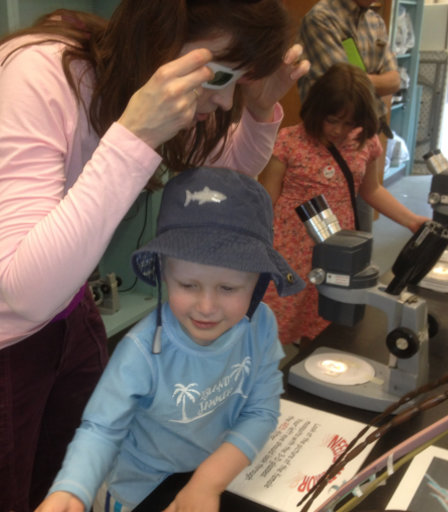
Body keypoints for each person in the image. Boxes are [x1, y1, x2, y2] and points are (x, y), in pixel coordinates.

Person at [0, 2, 310, 511]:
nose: (226, 98)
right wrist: (135, 137)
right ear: (159, 35)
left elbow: (222, 178)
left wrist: (257, 113)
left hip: (67, 312)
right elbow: (27, 291)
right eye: (223, 76)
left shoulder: (132, 86)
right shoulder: (38, 74)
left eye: (239, 80)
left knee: (62, 483)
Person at [34, 166, 304, 512]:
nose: (206, 307)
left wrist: (207, 481)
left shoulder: (261, 323)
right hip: (141, 490)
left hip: (215, 473)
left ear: (258, 283)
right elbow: (101, 429)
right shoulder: (140, 351)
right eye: (188, 285)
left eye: (228, 288)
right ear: (163, 273)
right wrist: (72, 490)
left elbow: (261, 409)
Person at [258, 63, 428, 346]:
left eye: (349, 123)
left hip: (338, 248)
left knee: (330, 317)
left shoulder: (366, 142)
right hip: (288, 247)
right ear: (317, 109)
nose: (339, 130)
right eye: (332, 120)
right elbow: (266, 197)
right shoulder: (289, 141)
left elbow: (372, 191)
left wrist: (411, 220)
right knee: (278, 319)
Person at [298, 0, 401, 232]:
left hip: (365, 132)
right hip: (326, 138)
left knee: (359, 220)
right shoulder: (322, 18)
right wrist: (374, 78)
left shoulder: (375, 20)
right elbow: (344, 85)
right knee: (322, 224)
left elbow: (395, 80)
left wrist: (366, 79)